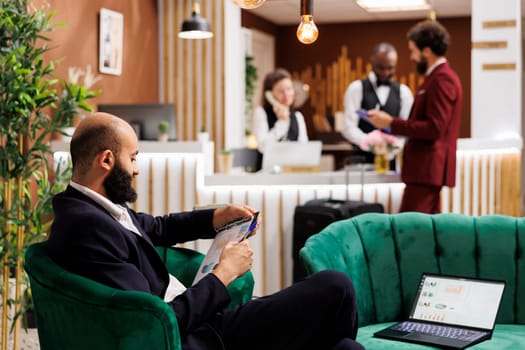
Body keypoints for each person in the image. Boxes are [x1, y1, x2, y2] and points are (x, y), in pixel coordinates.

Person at [47, 112, 364, 350]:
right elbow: (156, 322)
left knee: (346, 348)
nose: (136, 169)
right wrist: (223, 275)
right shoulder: (87, 227)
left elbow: (158, 227)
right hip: (200, 334)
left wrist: (216, 217)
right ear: (106, 160)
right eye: (132, 158)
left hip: (201, 314)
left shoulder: (94, 206)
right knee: (336, 287)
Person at [368, 20, 463, 214]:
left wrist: (391, 123)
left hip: (426, 171)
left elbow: (434, 128)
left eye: (413, 51)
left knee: (410, 232)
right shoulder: (437, 78)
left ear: (426, 51)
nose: (411, 57)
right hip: (425, 172)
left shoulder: (442, 79)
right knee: (426, 233)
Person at [341, 42, 414, 166]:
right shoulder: (356, 89)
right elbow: (348, 127)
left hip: (393, 161)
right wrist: (370, 142)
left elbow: (407, 126)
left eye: (390, 68)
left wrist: (394, 146)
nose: (385, 72)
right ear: (372, 62)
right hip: (362, 160)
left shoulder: (404, 92)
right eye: (381, 67)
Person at [252, 68, 309, 170]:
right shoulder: (261, 113)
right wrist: (282, 123)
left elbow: (304, 149)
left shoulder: (298, 116)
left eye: (289, 89)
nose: (287, 95)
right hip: (267, 174)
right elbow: (263, 147)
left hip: (293, 173)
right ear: (269, 95)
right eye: (280, 91)